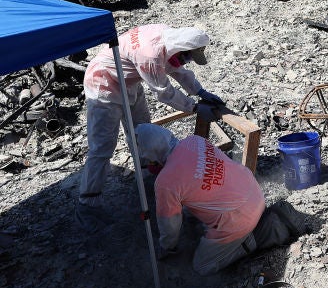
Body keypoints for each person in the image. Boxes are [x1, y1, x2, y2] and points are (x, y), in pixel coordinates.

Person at [77, 24, 224, 229]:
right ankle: (88, 203)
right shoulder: (150, 55)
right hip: (103, 83)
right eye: (188, 57)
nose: (187, 61)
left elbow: (179, 71)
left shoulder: (168, 39)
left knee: (143, 129)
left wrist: (200, 91)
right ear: (181, 49)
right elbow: (164, 92)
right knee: (102, 147)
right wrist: (195, 107)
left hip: (128, 79)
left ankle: (147, 175)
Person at [135, 124, 307, 275]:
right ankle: (257, 223)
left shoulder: (166, 182)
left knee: (203, 266)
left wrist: (167, 247)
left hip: (239, 218)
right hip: (253, 193)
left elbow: (169, 225)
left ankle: (266, 232)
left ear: (151, 154)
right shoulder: (194, 141)